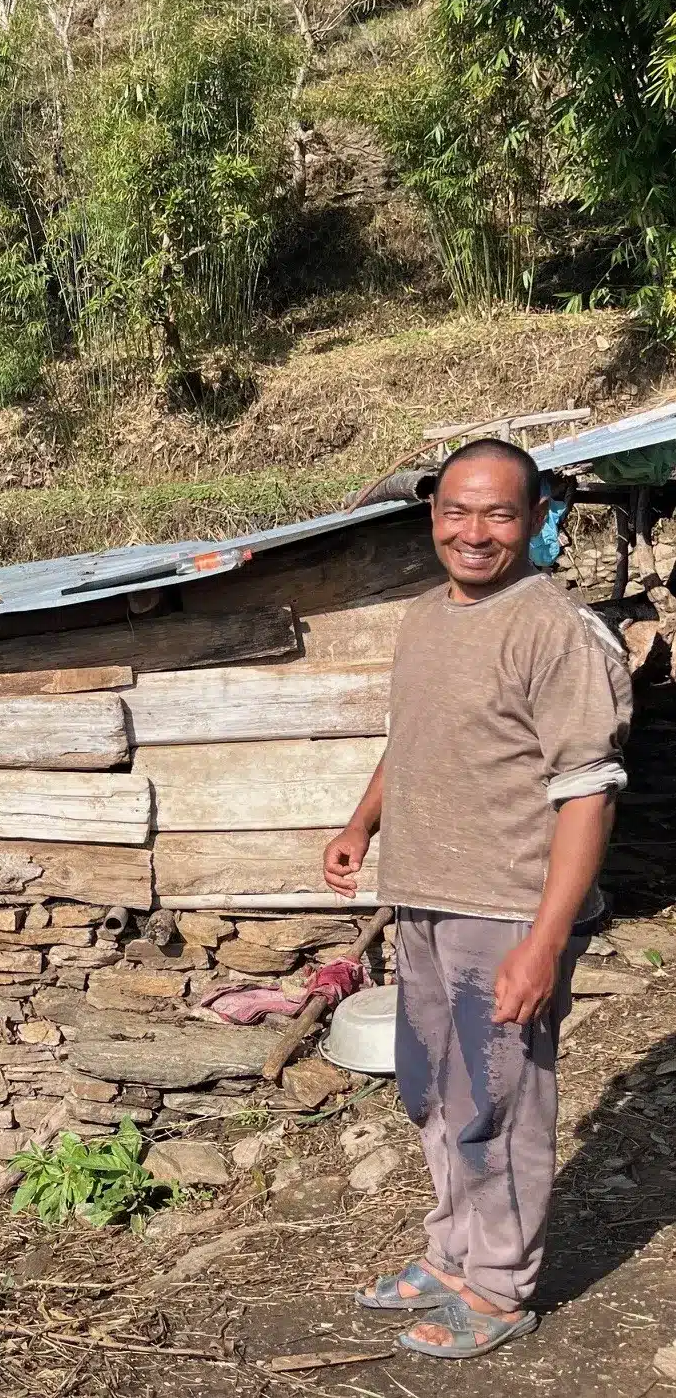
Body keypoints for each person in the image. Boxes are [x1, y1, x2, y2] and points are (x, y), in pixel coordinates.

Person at [323, 438, 633, 1360]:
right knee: (428, 1090)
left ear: (535, 520)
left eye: (499, 513)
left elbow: (588, 791)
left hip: (501, 909)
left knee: (494, 1103)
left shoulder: (555, 631)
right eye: (457, 510)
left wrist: (542, 940)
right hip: (419, 895)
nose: (473, 531)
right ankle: (452, 1252)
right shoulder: (424, 616)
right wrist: (360, 822)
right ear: (431, 514)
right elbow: (413, 736)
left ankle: (499, 1287)